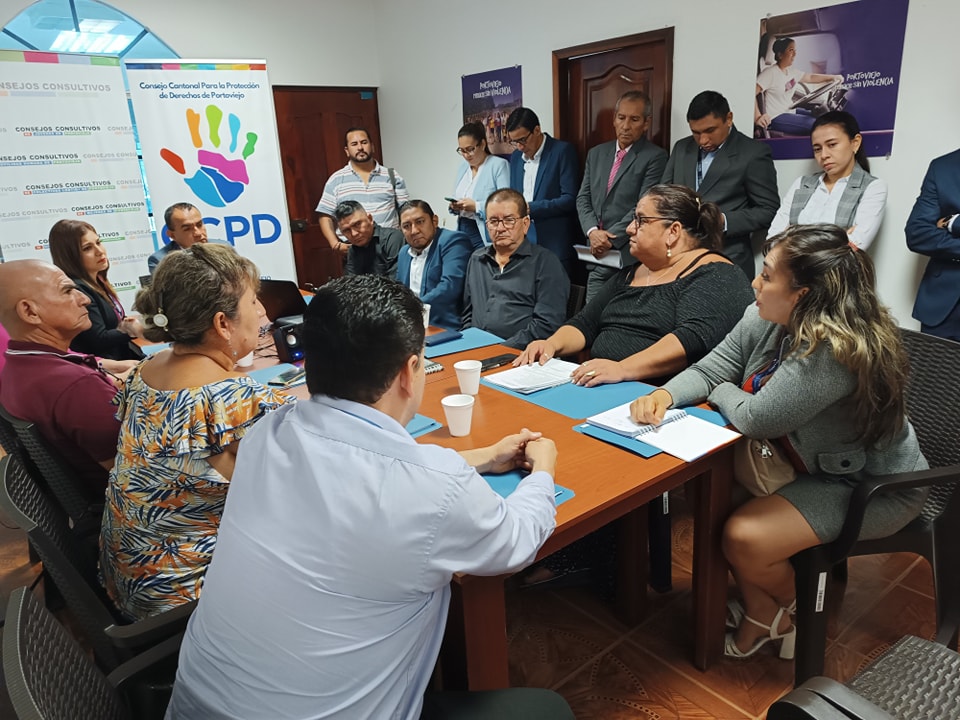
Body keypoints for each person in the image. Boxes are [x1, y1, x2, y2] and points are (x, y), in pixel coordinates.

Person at [165, 274, 572, 720]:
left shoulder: (268, 432)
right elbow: (516, 540)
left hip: (191, 704)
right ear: (409, 371)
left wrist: (482, 457)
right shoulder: (433, 487)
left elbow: (361, 470)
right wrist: (544, 467)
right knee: (546, 710)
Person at [631, 224, 928, 660]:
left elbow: (758, 418)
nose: (755, 282)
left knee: (745, 536)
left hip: (874, 487)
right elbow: (714, 366)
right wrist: (666, 394)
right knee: (718, 503)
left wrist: (722, 390)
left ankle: (797, 613)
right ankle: (766, 614)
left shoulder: (831, 352)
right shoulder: (765, 316)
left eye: (767, 275)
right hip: (812, 466)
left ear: (802, 295)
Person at [100, 244, 292, 620]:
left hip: (132, 577)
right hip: (186, 602)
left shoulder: (147, 370)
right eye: (253, 301)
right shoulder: (236, 399)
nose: (262, 312)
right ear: (222, 324)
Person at [517, 185, 754, 386]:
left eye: (641, 220)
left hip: (661, 400)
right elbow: (585, 323)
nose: (630, 228)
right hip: (602, 386)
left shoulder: (717, 274)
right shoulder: (632, 272)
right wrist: (551, 344)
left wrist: (622, 369)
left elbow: (690, 341)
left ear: (673, 231)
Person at [0, 260, 126, 497]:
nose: (85, 299)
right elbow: (140, 476)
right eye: (67, 291)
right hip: (129, 505)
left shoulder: (17, 367)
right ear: (30, 312)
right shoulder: (75, 386)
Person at [662, 90, 780, 279]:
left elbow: (768, 210)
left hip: (728, 259)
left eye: (710, 131)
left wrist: (722, 221)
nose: (703, 140)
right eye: (696, 133)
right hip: (679, 258)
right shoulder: (681, 148)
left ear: (729, 119)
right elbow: (663, 197)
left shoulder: (753, 153)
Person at [576, 91, 668, 301]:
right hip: (596, 254)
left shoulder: (655, 157)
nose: (626, 126)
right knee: (591, 315)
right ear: (614, 119)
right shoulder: (596, 153)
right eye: (621, 118)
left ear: (646, 123)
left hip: (628, 256)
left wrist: (610, 238)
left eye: (634, 119)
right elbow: (583, 198)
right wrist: (593, 232)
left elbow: (644, 206)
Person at [463, 189, 569, 349]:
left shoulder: (546, 262)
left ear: (525, 224)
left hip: (521, 354)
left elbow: (547, 325)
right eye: (493, 221)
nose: (500, 228)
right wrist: (466, 343)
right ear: (486, 225)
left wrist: (502, 349)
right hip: (473, 349)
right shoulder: (476, 259)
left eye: (509, 220)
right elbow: (467, 314)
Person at [767, 111, 886, 250]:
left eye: (832, 145)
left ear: (855, 143)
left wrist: (791, 237)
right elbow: (771, 242)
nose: (824, 155)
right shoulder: (802, 184)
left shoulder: (873, 187)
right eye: (817, 149)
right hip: (789, 266)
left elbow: (854, 247)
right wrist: (838, 241)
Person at [48, 219, 144, 361]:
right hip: (108, 366)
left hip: (125, 357)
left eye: (98, 242)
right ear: (70, 256)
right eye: (87, 248)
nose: (99, 251)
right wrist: (133, 330)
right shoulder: (77, 290)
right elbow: (98, 339)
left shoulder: (97, 280)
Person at [506, 107, 582, 275]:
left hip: (554, 243)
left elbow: (570, 199)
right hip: (523, 244)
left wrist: (532, 208)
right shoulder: (517, 157)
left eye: (522, 140)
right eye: (514, 142)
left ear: (537, 130)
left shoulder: (561, 151)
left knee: (556, 289)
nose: (519, 147)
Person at [315, 127, 409, 257]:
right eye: (354, 144)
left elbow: (406, 211)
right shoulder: (336, 180)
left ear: (372, 146)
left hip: (388, 247)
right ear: (347, 151)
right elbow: (325, 215)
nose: (360, 147)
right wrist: (335, 244)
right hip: (353, 250)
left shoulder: (392, 176)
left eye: (364, 142)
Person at [905, 148, 960, 341]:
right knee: (932, 362)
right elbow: (917, 233)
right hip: (944, 306)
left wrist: (953, 222)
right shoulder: (942, 167)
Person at [396, 200, 473, 330]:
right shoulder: (404, 252)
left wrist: (412, 308)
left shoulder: (452, 241)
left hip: (443, 326)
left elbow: (449, 286)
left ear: (434, 221)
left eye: (420, 222)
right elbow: (399, 290)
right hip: (410, 325)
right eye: (406, 226)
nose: (414, 231)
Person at [755, 37, 844, 136]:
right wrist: (758, 117)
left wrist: (832, 77)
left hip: (789, 110)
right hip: (776, 116)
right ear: (780, 55)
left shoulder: (791, 71)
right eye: (791, 50)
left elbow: (810, 77)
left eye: (795, 50)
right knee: (816, 125)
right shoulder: (770, 73)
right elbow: (751, 93)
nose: (795, 54)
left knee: (822, 119)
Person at [449, 121, 510, 250]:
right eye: (462, 150)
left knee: (484, 261)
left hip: (483, 230)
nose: (466, 155)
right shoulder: (463, 167)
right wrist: (455, 206)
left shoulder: (498, 165)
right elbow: (457, 195)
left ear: (482, 144)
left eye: (470, 149)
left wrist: (476, 206)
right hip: (462, 227)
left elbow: (506, 203)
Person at [334, 200, 405, 277]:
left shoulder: (392, 239)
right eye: (346, 230)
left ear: (370, 219)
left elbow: (396, 281)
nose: (354, 234)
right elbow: (351, 281)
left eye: (357, 224)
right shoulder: (353, 250)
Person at [148, 202, 213, 275]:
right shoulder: (160, 261)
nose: (198, 233)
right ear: (172, 235)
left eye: (199, 225)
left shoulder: (222, 247)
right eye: (187, 229)